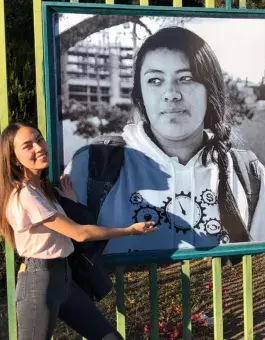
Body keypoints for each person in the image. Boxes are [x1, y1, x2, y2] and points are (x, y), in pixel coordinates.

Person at [65, 26, 265, 255]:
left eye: (186, 78)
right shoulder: (92, 165)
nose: (171, 93)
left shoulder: (247, 173)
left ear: (211, 90)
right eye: (155, 80)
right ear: (140, 94)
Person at [0, 123, 157, 340]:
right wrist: (129, 230)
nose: (39, 147)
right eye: (27, 146)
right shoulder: (25, 195)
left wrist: (70, 203)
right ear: (15, 158)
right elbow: (79, 233)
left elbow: (63, 226)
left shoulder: (44, 192)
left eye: (39, 139)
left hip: (63, 278)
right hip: (39, 282)